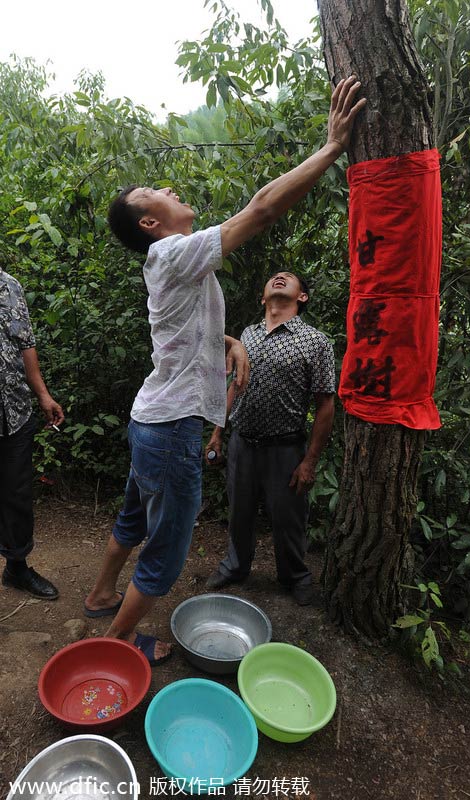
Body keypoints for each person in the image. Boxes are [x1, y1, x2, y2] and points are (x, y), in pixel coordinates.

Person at [84, 76, 366, 664]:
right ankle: (114, 651)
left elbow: (181, 333)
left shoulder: (174, 264)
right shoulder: (172, 251)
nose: (168, 186)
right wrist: (332, 147)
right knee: (166, 552)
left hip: (151, 418)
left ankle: (101, 592)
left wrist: (230, 341)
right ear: (150, 224)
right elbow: (260, 210)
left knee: (135, 515)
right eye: (154, 190)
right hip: (173, 429)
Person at [205, 272, 335, 605]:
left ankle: (295, 576)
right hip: (243, 443)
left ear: (301, 298)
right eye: (275, 278)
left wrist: (309, 462)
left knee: (289, 518)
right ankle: (235, 567)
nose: (279, 278)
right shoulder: (246, 335)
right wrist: (218, 432)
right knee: (240, 512)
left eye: (289, 278)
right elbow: (235, 384)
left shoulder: (315, 341)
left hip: (286, 448)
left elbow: (325, 405)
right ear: (263, 298)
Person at [0, 267, 64, 600]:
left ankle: (17, 568)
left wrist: (43, 395)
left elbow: (26, 346)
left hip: (14, 412)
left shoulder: (10, 286)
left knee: (18, 494)